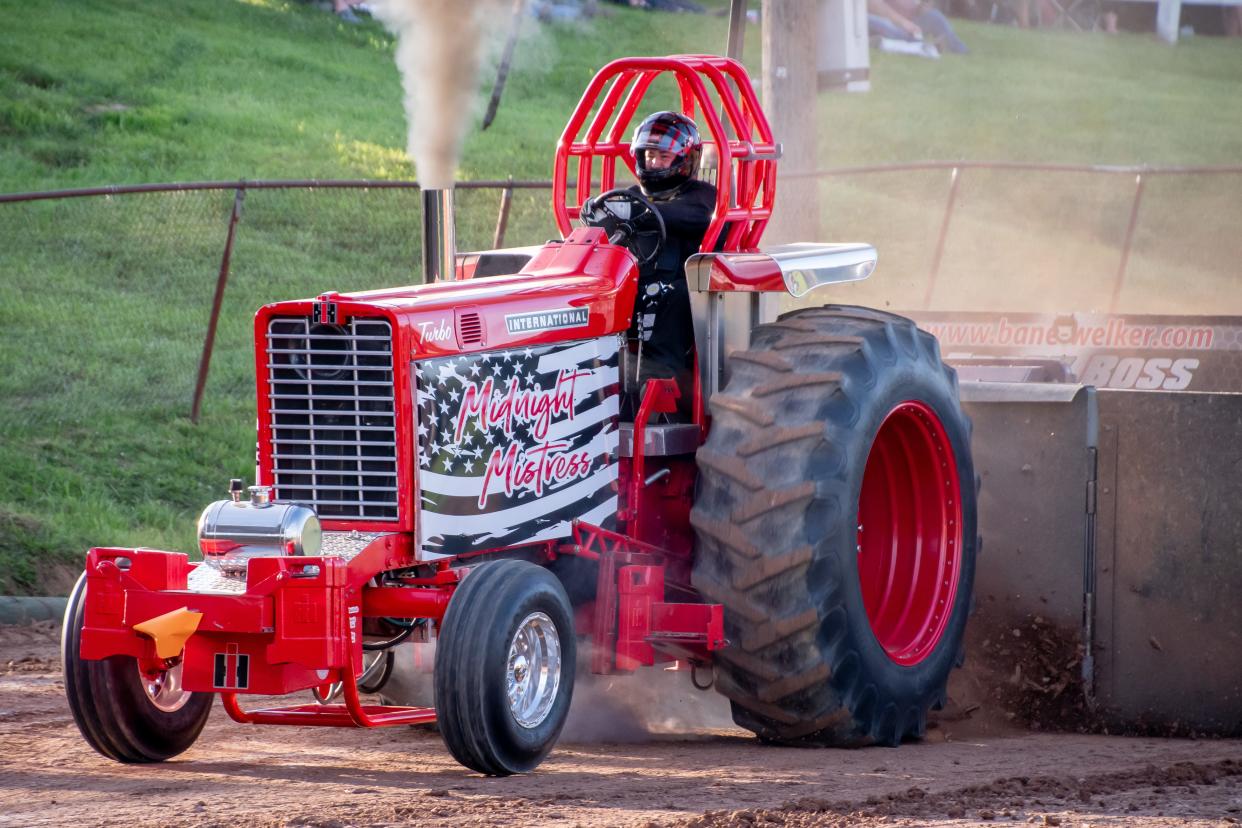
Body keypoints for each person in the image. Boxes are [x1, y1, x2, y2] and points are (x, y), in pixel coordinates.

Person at [586, 111, 715, 404]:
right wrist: (596, 216)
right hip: (632, 281)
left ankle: (661, 394)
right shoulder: (633, 195)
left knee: (672, 297)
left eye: (663, 156)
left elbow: (693, 217)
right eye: (649, 155)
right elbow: (612, 224)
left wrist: (636, 212)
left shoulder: (703, 196)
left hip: (682, 286)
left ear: (685, 159)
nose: (654, 163)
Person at [867, 0, 969, 53]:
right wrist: (903, 22)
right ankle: (924, 47)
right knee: (876, 22)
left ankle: (959, 50)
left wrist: (922, 8)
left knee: (934, 16)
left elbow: (912, 8)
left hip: (908, 24)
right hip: (885, 21)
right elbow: (872, 4)